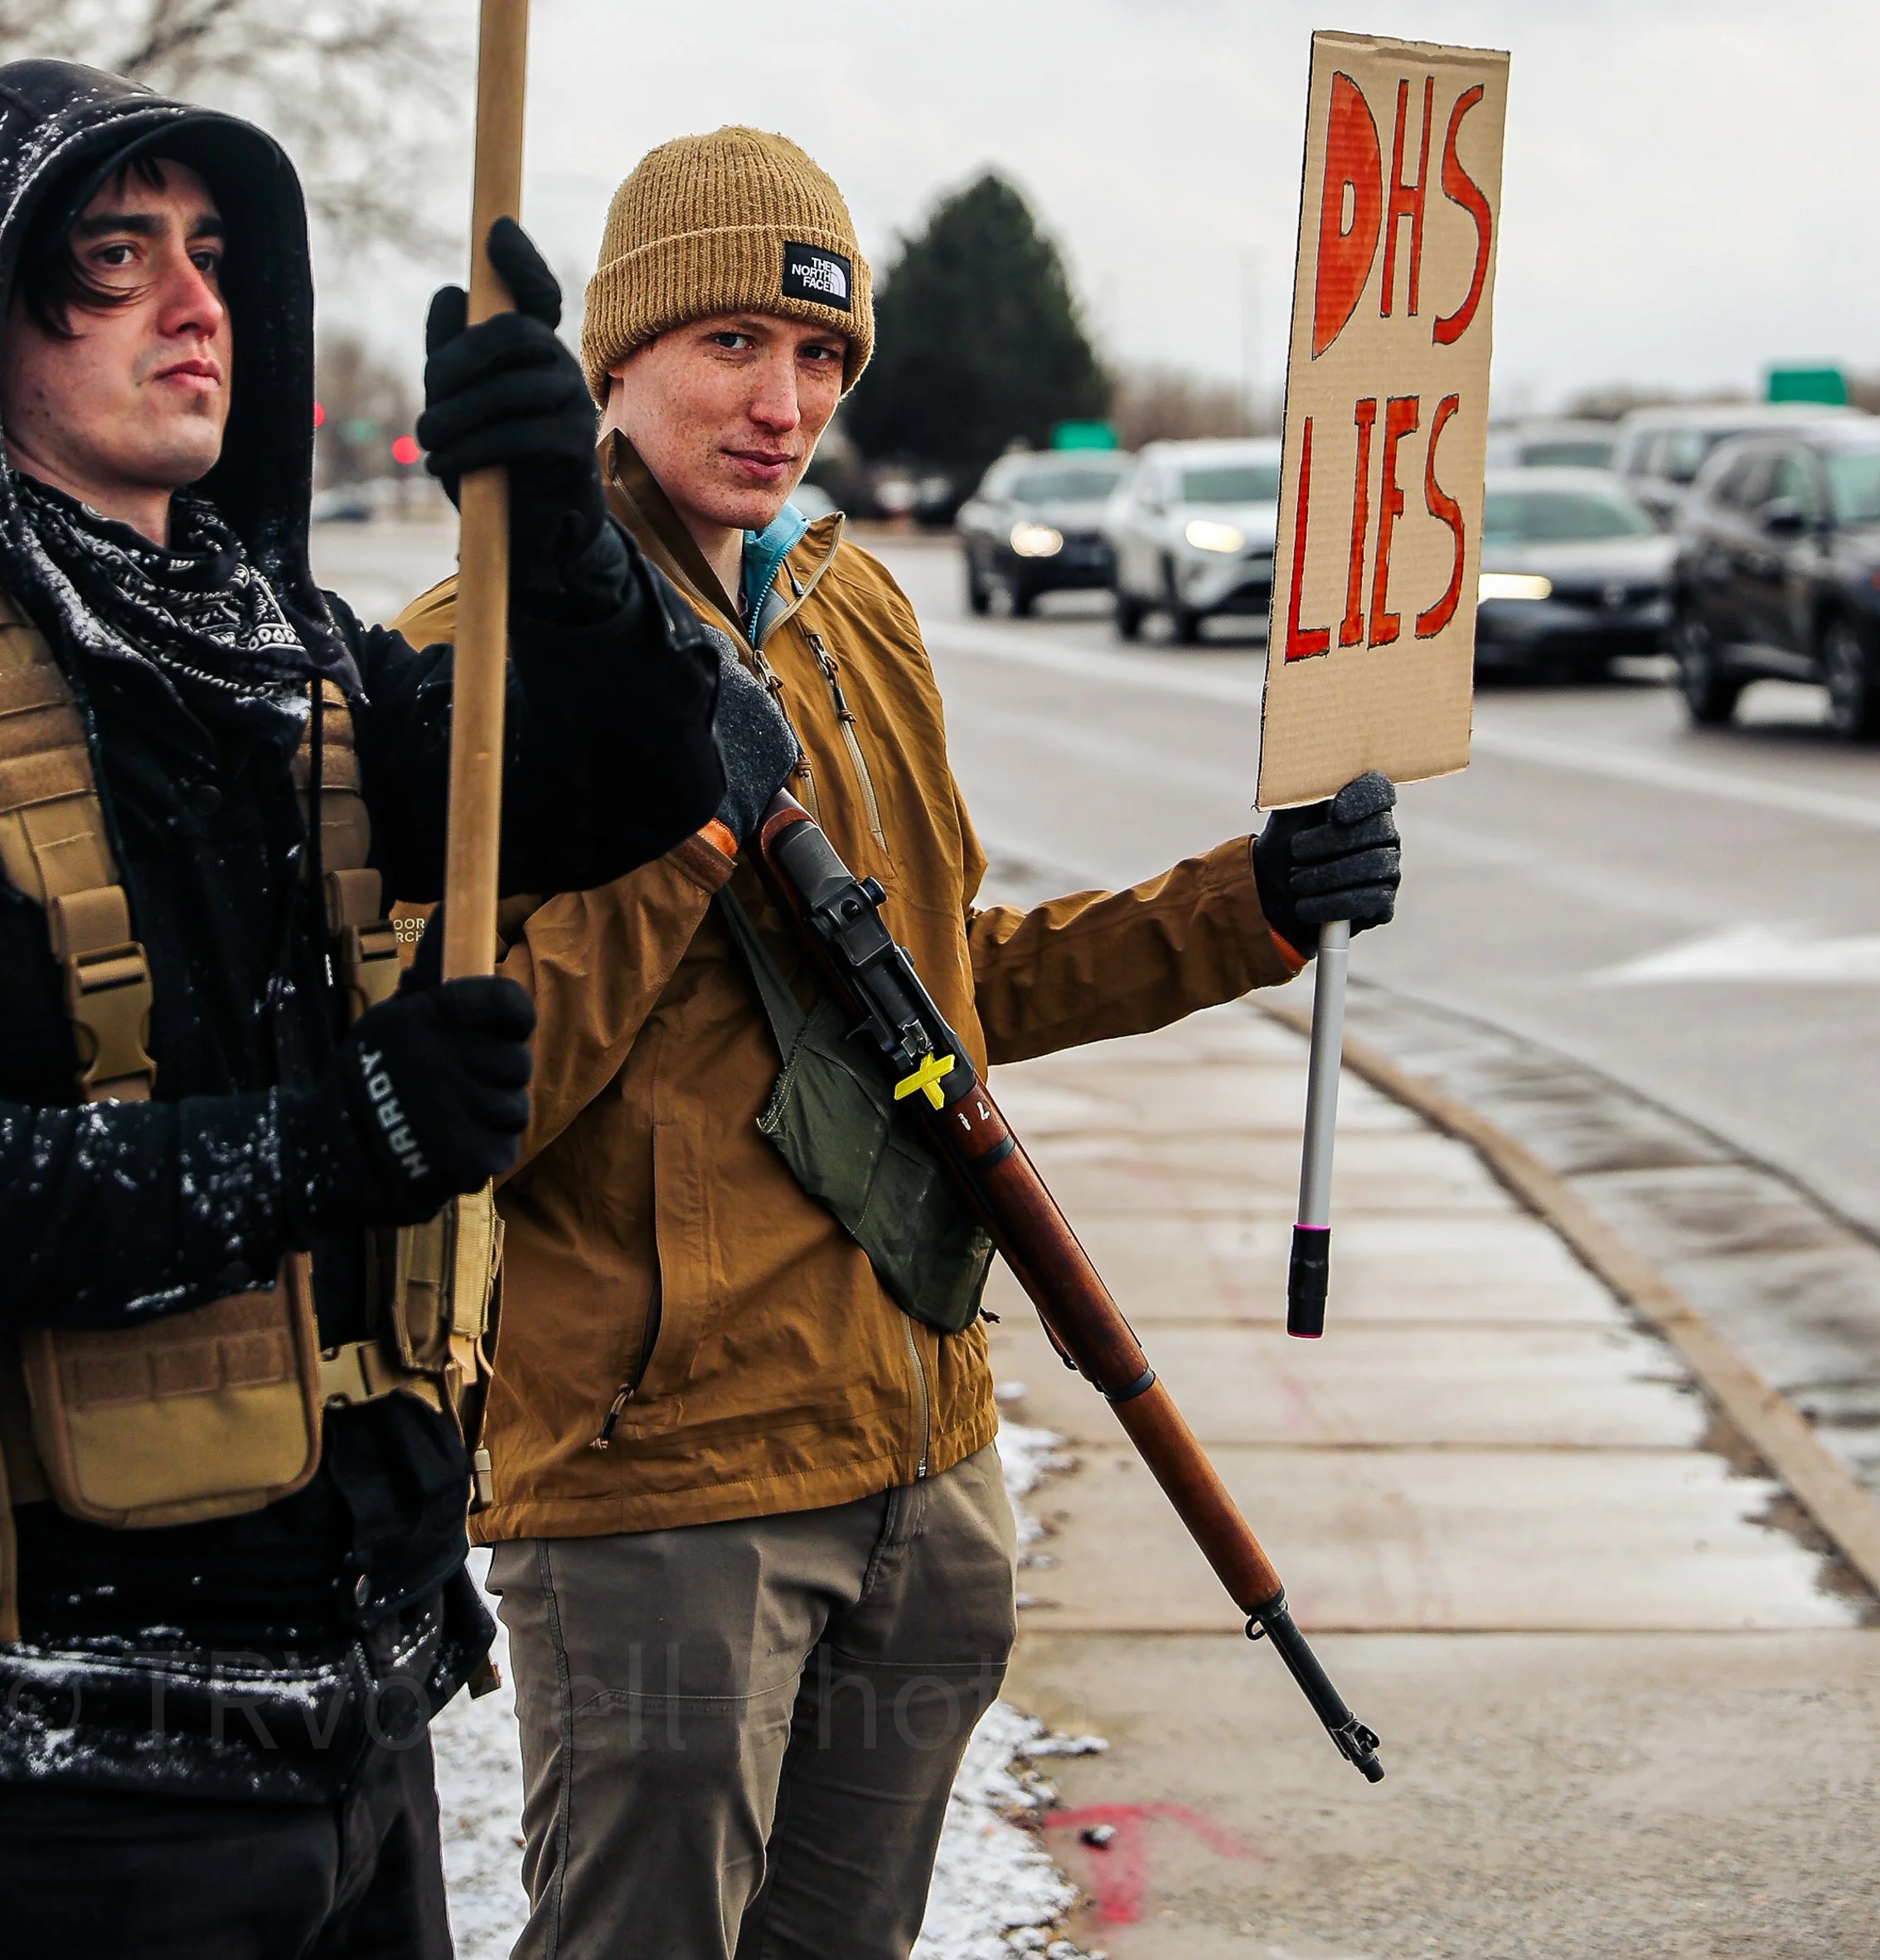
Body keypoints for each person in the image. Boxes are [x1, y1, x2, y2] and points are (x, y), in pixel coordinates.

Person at [401, 126, 1403, 1960]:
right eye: (728, 346)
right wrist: (687, 824)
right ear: (612, 360)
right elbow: (481, 1095)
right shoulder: (473, 660)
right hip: (669, 1491)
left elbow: (942, 986)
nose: (782, 402)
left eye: (820, 360)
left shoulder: (847, 612)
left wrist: (1243, 906)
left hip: (919, 1450)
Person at [0, 61, 774, 1958]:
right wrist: (332, 1142)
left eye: (214, 257)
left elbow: (662, 771)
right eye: (113, 259)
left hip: (358, 1732)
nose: (196, 308)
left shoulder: (287, 662)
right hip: (60, 1781)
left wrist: (562, 539)